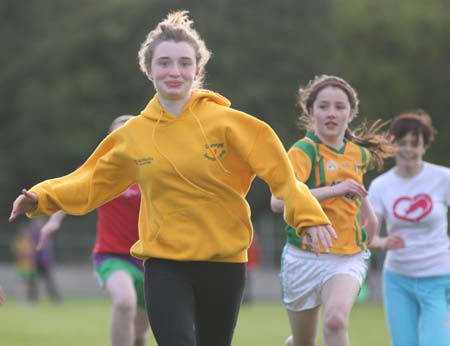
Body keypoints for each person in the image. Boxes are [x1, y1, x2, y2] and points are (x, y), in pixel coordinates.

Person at [9, 10, 335, 346]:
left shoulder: (233, 125)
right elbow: (91, 180)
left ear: (198, 69)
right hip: (165, 264)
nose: (174, 72)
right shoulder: (133, 134)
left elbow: (282, 175)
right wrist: (43, 196)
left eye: (184, 63)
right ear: (148, 69)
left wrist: (307, 215)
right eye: (164, 63)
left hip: (224, 263)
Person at [271, 75, 393, 346]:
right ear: (311, 111)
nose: (331, 113)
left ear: (351, 113)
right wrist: (332, 190)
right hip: (304, 256)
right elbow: (278, 202)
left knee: (336, 321)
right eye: (323, 106)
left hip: (347, 254)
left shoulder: (359, 154)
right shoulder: (303, 151)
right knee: (304, 342)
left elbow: (356, 191)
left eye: (339, 107)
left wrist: (371, 218)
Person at [37, 115, 149, 346]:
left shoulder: (151, 170)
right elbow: (71, 189)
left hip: (150, 258)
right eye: (118, 135)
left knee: (139, 335)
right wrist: (54, 221)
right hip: (111, 255)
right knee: (125, 302)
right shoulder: (100, 170)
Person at [368, 110, 450, 346]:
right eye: (401, 143)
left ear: (425, 146)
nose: (408, 150)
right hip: (398, 279)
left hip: (439, 277)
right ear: (392, 146)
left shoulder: (443, 178)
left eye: (415, 144)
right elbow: (368, 238)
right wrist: (383, 242)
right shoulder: (380, 186)